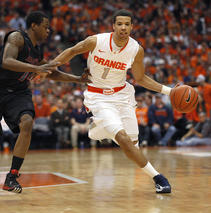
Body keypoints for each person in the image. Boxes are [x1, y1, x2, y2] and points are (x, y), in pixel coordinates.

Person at [50, 9, 174, 193]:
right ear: (113, 26)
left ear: (132, 26)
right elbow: (72, 51)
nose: (123, 27)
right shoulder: (96, 41)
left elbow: (141, 78)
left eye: (127, 24)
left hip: (122, 95)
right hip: (98, 97)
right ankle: (158, 178)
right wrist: (49, 67)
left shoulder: (136, 49)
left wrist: (169, 91)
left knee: (133, 146)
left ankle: (99, 129)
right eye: (119, 24)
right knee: (123, 139)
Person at [0, 11, 91, 196]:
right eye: (46, 26)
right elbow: (7, 61)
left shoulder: (37, 52)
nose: (49, 30)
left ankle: (12, 176)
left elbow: (52, 72)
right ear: (34, 26)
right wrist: (36, 68)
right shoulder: (17, 37)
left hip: (18, 93)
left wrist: (78, 80)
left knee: (27, 122)